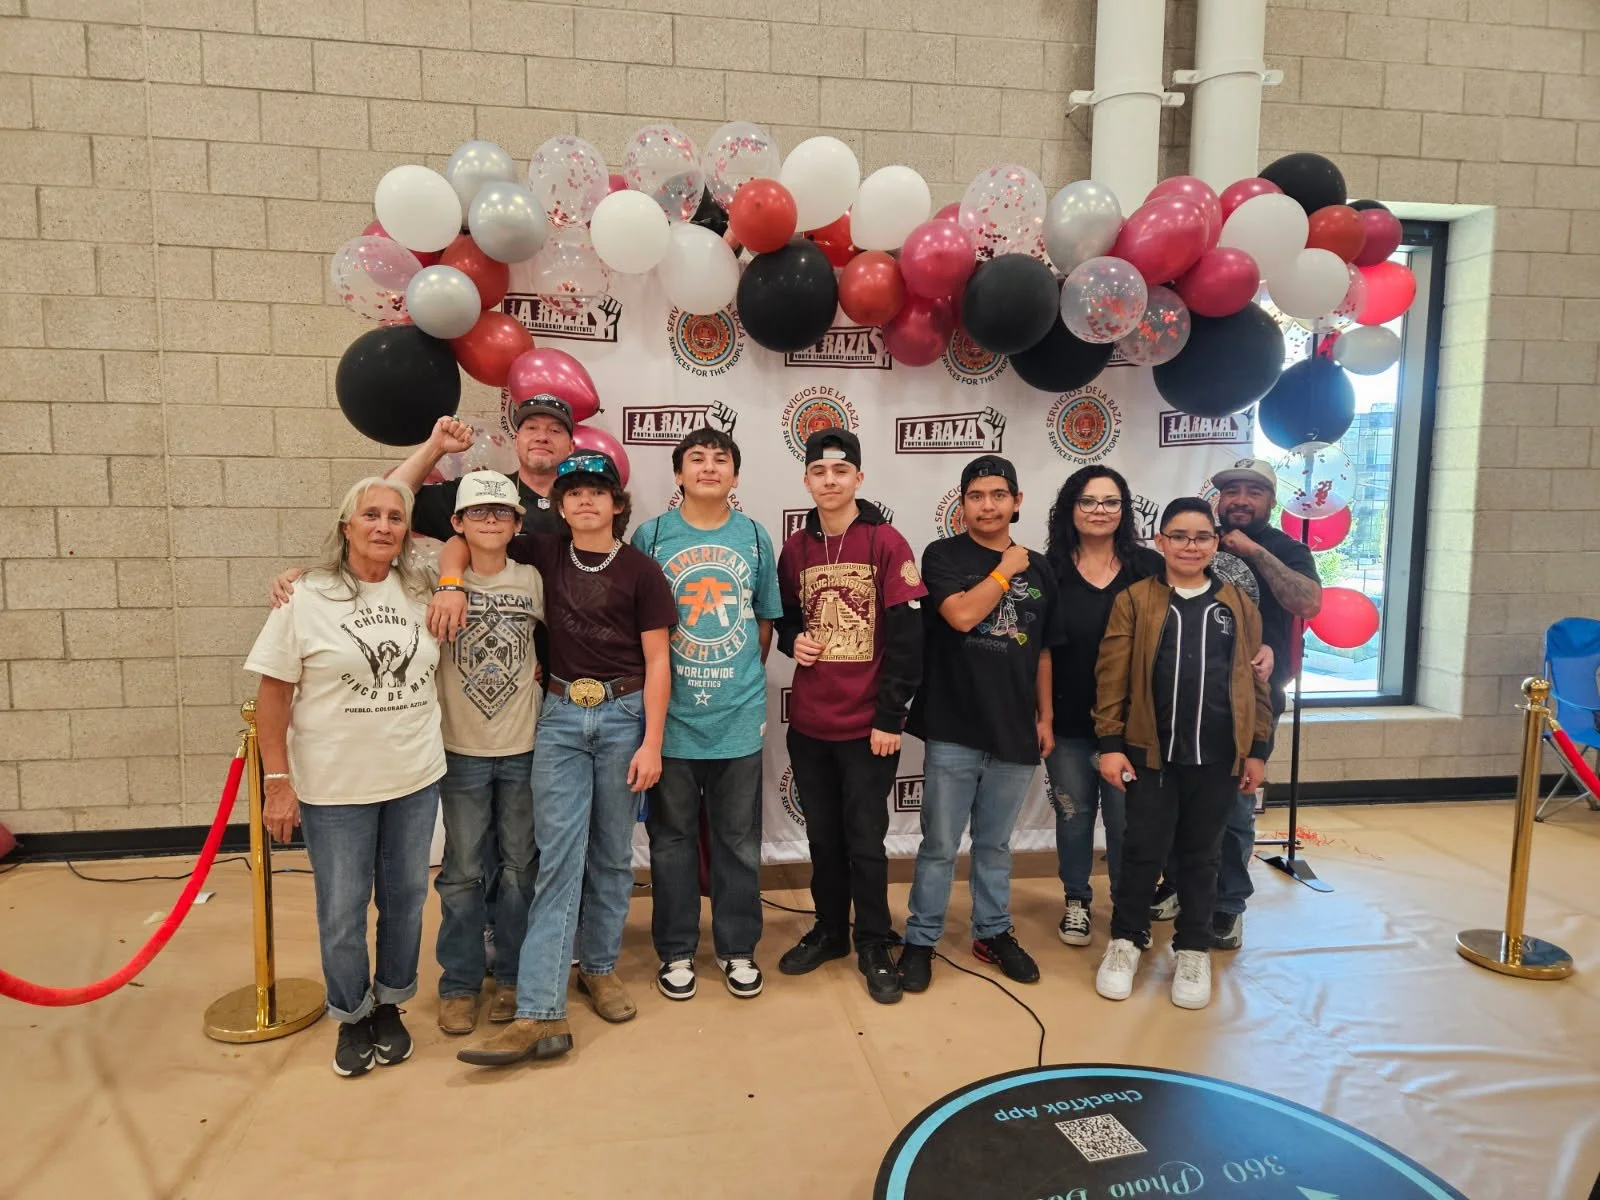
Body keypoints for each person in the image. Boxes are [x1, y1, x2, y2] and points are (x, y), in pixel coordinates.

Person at [436, 451, 676, 1067]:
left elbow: (657, 661)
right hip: (561, 717)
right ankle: (540, 1010)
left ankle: (598, 968)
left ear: (618, 505)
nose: (585, 502)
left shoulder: (644, 572)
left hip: (624, 716)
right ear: (559, 507)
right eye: (573, 494)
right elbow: (460, 546)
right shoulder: (541, 552)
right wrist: (449, 579)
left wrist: (652, 741)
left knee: (613, 854)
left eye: (598, 493)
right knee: (559, 858)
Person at [246, 477, 445, 1078]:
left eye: (394, 517)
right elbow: (273, 695)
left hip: (413, 776)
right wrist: (276, 780)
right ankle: (352, 1014)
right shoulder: (306, 596)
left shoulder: (422, 589)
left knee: (407, 902)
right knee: (341, 909)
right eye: (370, 516)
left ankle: (390, 1004)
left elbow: (466, 551)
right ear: (346, 525)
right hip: (335, 787)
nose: (383, 526)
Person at [1092, 497, 1271, 1011]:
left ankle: (1192, 947)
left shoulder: (1237, 604)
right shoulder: (1137, 600)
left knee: (1202, 856)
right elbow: (1112, 678)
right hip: (1152, 756)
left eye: (1201, 537)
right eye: (1179, 536)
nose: (1190, 546)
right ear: (1160, 542)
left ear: (1215, 543)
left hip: (1218, 757)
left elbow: (1256, 685)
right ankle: (1126, 940)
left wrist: (1256, 749)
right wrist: (1110, 745)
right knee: (1142, 850)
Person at [897, 456, 1062, 994]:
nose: (987, 505)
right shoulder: (943, 555)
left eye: (997, 495)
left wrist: (1047, 715)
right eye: (976, 495)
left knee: (994, 846)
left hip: (1015, 728)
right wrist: (1004, 570)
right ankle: (921, 940)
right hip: (955, 724)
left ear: (1017, 501)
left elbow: (1042, 653)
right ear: (962, 503)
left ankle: (992, 933)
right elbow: (962, 615)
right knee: (940, 843)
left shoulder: (1041, 568)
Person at [775, 428, 926, 1005]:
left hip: (869, 727)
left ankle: (871, 939)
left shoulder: (886, 541)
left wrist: (891, 716)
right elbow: (785, 615)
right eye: (820, 473)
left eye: (842, 472)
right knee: (823, 837)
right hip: (811, 726)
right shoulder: (796, 547)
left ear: (858, 478)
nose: (830, 481)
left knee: (866, 839)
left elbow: (910, 638)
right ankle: (831, 931)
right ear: (808, 480)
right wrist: (795, 641)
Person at [632, 428, 781, 1002]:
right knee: (670, 840)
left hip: (738, 716)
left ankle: (737, 947)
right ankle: (674, 951)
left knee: (738, 840)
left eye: (721, 459)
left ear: (736, 477)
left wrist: (739, 676)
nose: (709, 467)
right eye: (696, 458)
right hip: (671, 721)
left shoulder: (755, 538)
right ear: (678, 475)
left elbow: (764, 621)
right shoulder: (652, 536)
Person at [1152, 458, 1319, 951]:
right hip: (1188, 692)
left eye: (1254, 492)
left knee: (1235, 807)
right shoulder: (1198, 540)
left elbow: (1307, 602)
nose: (1241, 500)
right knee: (1179, 799)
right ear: (1218, 499)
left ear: (1271, 500)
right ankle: (1181, 886)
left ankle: (1227, 905)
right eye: (1232, 492)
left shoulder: (1289, 548)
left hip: (1254, 698)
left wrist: (1253, 554)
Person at [429, 471, 544, 1035]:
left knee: (520, 866)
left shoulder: (534, 579)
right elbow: (364, 563)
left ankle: (515, 977)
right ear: (457, 522)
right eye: (478, 512)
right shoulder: (434, 577)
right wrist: (298, 574)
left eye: (502, 512)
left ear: (518, 523)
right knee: (464, 868)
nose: (491, 521)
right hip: (462, 749)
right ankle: (459, 981)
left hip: (524, 746)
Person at [1043, 466, 1163, 950]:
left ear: (1124, 509)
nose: (1099, 511)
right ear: (1071, 508)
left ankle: (1127, 908)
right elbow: (1040, 653)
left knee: (1126, 821)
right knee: (1072, 816)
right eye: (1089, 501)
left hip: (1131, 727)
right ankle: (1076, 900)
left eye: (1111, 502)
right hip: (1068, 723)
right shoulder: (1047, 569)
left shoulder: (1149, 568)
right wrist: (1044, 717)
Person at [403, 397, 574, 541]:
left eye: (555, 430)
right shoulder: (477, 490)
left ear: (571, 447)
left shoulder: (588, 500)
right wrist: (436, 447)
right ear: (516, 441)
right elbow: (391, 500)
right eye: (531, 428)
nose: (542, 437)